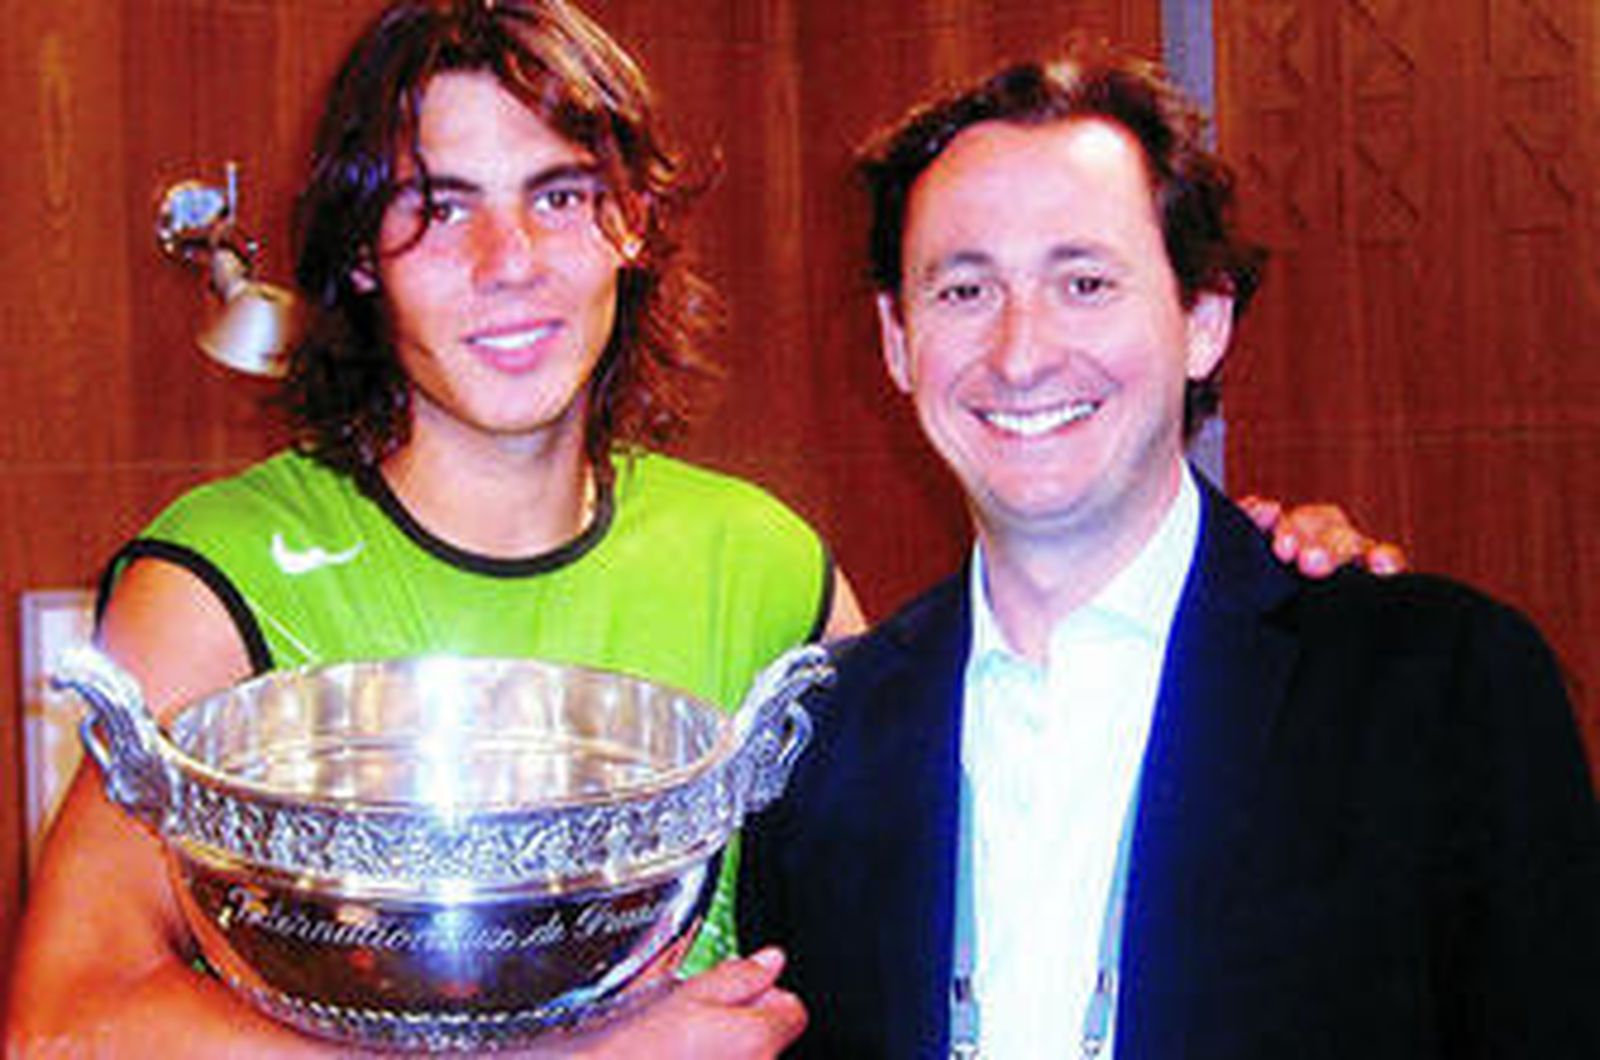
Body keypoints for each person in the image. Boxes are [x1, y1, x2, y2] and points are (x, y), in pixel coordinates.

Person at [8, 3, 1396, 1055]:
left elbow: (965, 851)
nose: (510, 264)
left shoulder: (762, 561)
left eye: (560, 195)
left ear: (630, 228)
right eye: (440, 209)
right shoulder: (223, 575)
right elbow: (65, 1021)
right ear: (363, 256)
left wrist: (1237, 591)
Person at [738, 42, 1600, 1059]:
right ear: (897, 341)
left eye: (1085, 282)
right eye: (964, 291)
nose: (1021, 352)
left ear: (1203, 318)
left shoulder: (1435, 688)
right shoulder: (821, 744)